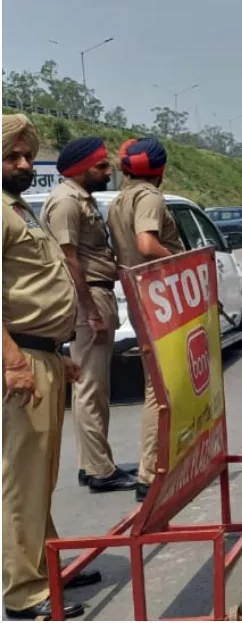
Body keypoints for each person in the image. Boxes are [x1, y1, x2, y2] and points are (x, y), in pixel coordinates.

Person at [2, 114, 94, 620]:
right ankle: (24, 593)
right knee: (23, 477)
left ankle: (48, 565)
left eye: (24, 155)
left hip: (40, 354)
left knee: (40, 474)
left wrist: (53, 352)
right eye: (10, 156)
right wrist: (14, 361)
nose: (20, 163)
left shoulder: (17, 209)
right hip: (19, 363)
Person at [40, 137, 137, 493]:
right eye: (100, 166)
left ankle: (93, 462)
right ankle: (100, 470)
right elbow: (69, 259)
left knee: (96, 386)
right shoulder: (66, 202)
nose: (107, 171)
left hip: (98, 294)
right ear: (80, 169)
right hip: (88, 298)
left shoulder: (82, 200)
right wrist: (89, 309)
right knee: (90, 388)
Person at [106, 137, 186, 503]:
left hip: (140, 297)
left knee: (159, 384)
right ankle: (150, 471)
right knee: (160, 388)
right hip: (160, 298)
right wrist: (184, 262)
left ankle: (159, 465)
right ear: (162, 169)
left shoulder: (119, 199)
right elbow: (147, 244)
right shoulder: (149, 198)